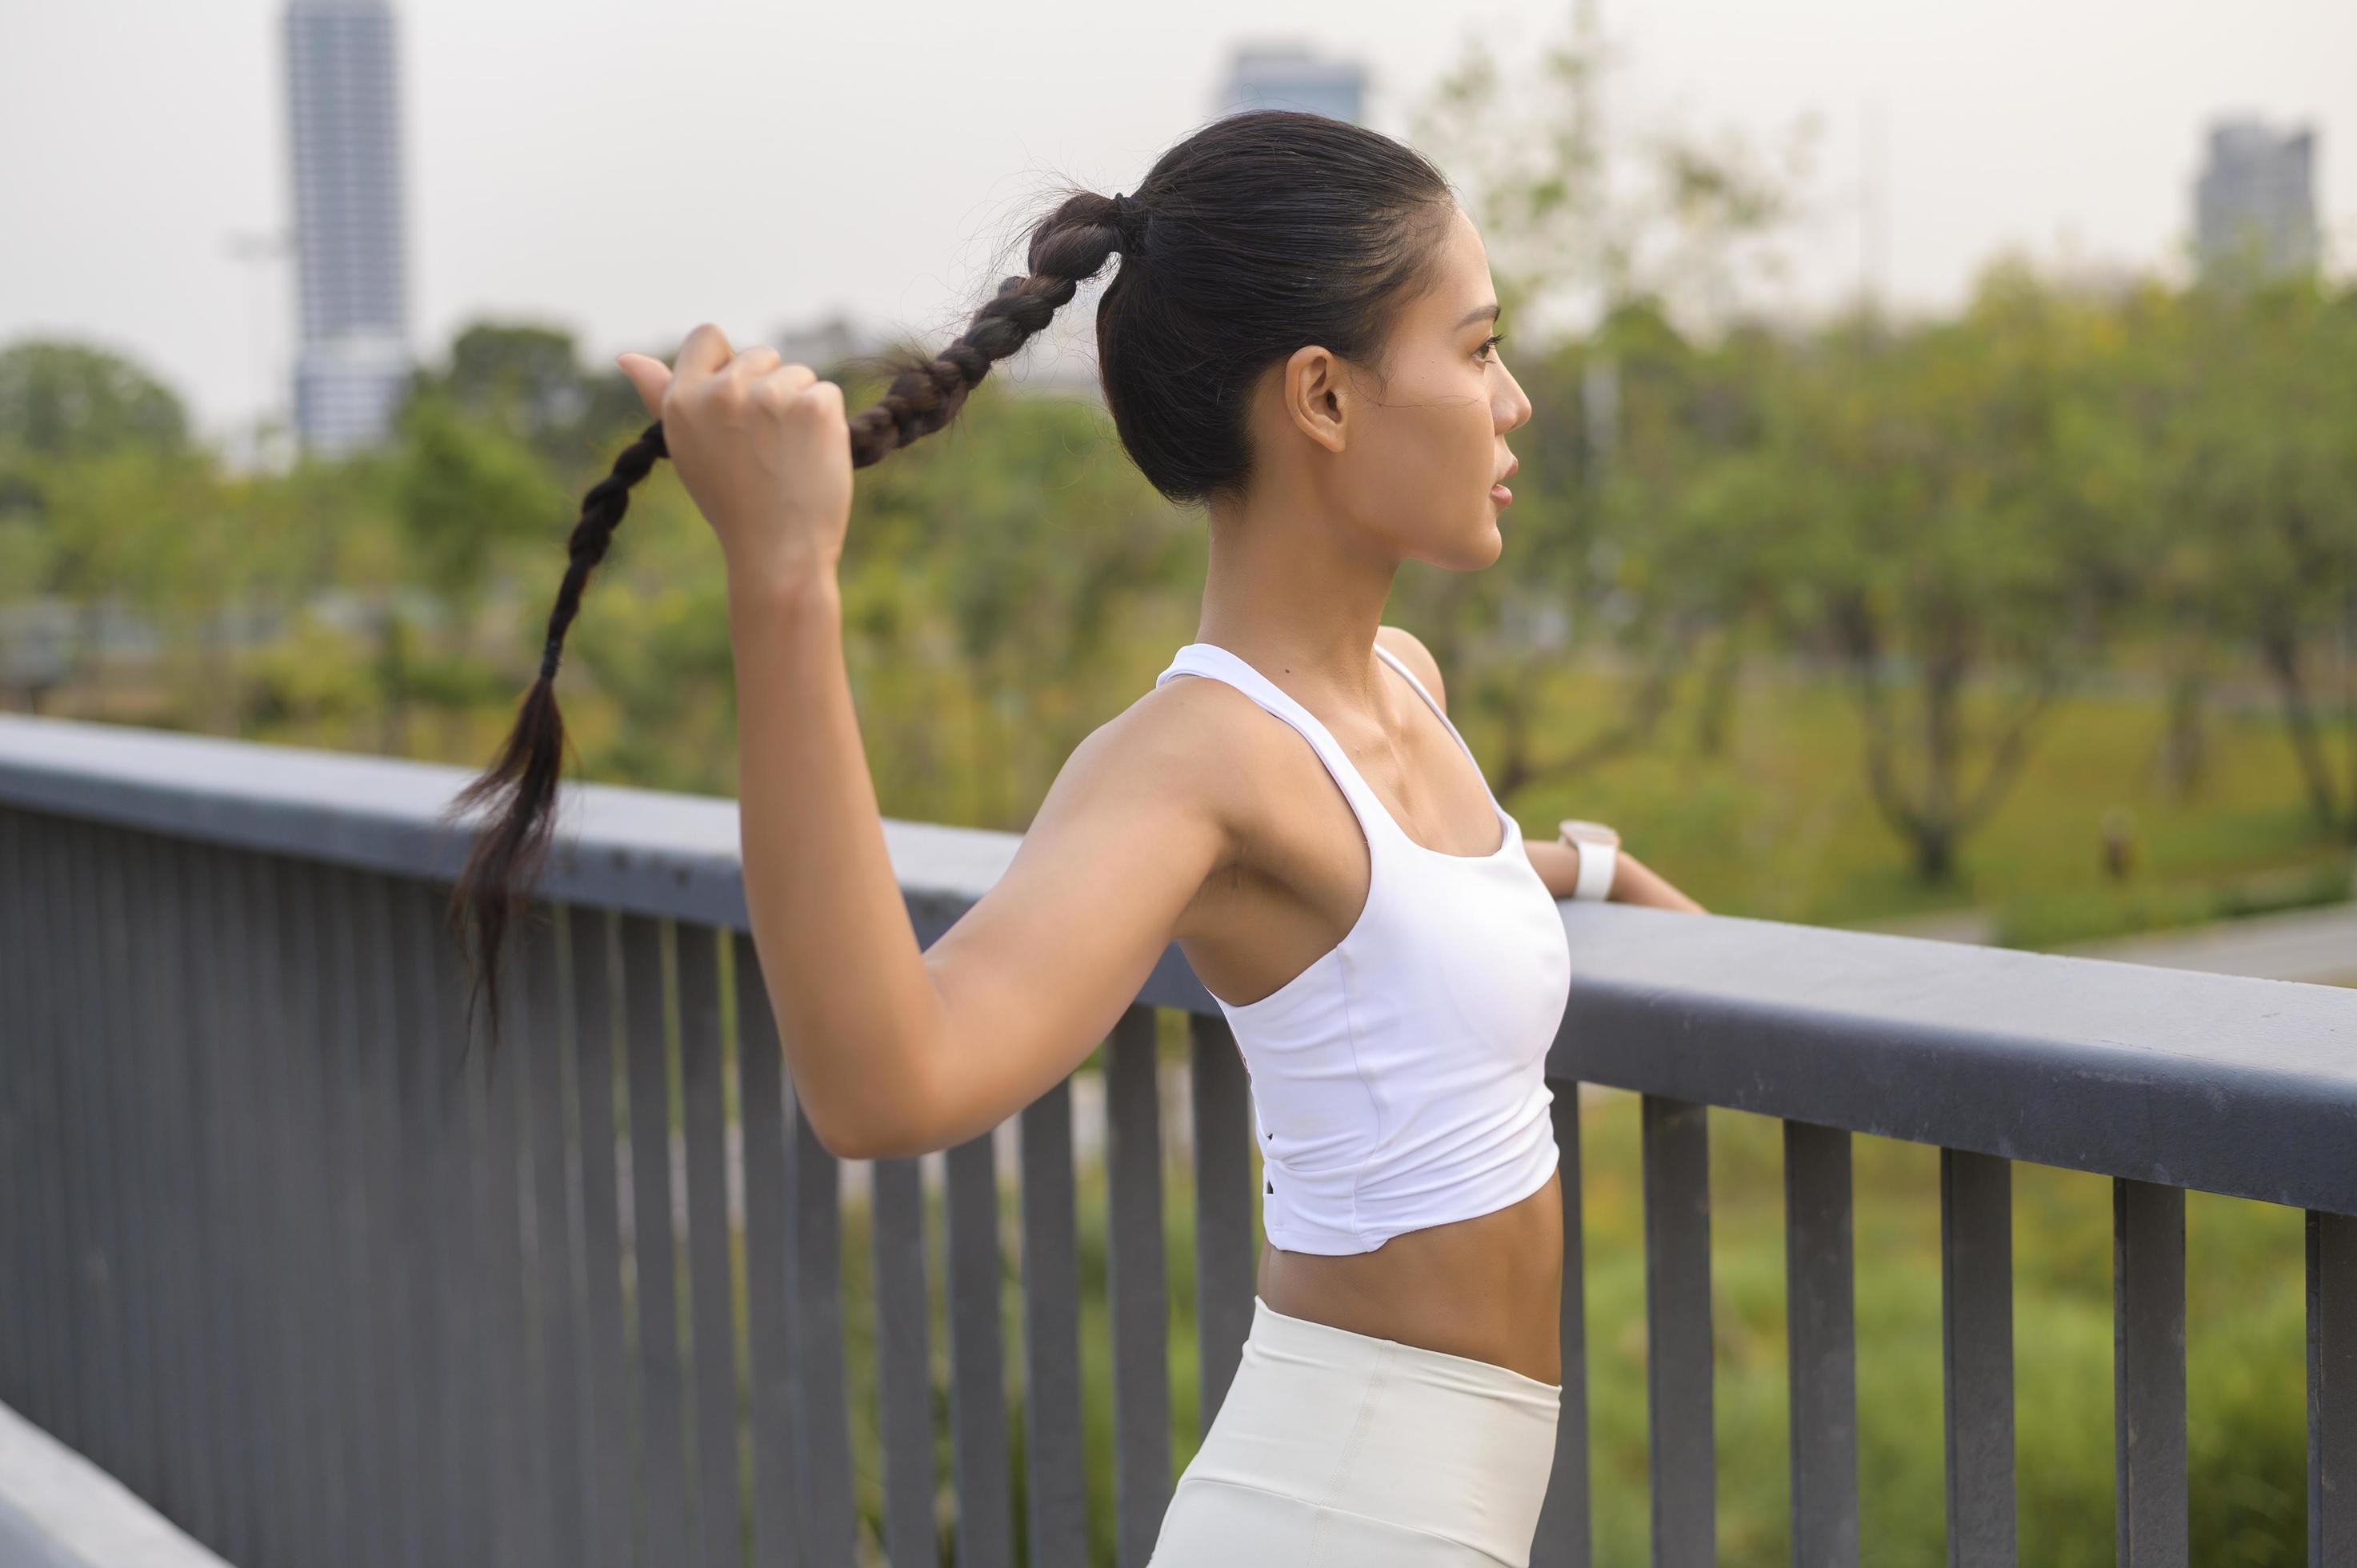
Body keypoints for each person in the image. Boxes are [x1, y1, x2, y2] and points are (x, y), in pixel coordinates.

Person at [448, 107, 1705, 1566]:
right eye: (1478, 348)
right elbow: (885, 1082)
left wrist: (1588, 869)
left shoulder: (1403, 689)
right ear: (1321, 396)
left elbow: (1409, 899)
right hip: (1338, 1514)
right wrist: (783, 582)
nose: (1516, 402)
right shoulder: (1191, 762)